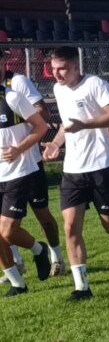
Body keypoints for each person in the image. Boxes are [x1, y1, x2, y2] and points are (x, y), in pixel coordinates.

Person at [41, 46, 109, 301]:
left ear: (76, 66)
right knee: (70, 227)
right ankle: (82, 288)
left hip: (101, 165)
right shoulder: (58, 89)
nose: (57, 74)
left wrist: (85, 124)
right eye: (54, 69)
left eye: (62, 69)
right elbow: (68, 125)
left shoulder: (95, 84)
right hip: (73, 171)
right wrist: (55, 143)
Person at [0, 52, 66, 281]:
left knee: (42, 214)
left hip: (28, 162)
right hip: (6, 166)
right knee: (5, 224)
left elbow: (42, 113)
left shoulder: (16, 84)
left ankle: (56, 256)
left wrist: (19, 126)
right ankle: (16, 264)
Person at [0, 81, 52, 297]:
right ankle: (18, 284)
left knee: (7, 232)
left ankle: (38, 250)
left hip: (17, 172)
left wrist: (18, 149)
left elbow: (41, 127)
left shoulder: (12, 98)